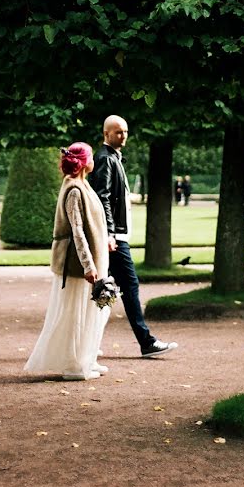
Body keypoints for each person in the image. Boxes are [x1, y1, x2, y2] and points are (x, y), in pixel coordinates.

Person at [89, 115, 178, 357]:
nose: (123, 136)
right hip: (114, 238)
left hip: (115, 235)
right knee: (128, 285)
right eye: (118, 132)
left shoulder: (112, 159)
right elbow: (102, 198)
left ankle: (86, 342)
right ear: (106, 134)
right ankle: (146, 341)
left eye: (125, 131)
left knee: (104, 290)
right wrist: (109, 233)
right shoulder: (105, 159)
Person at [24, 142, 111, 381]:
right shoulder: (74, 189)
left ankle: (87, 358)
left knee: (93, 311)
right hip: (76, 266)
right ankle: (74, 366)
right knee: (76, 313)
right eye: (91, 156)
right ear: (85, 162)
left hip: (91, 260)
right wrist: (88, 265)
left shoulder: (83, 185)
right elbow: (77, 232)